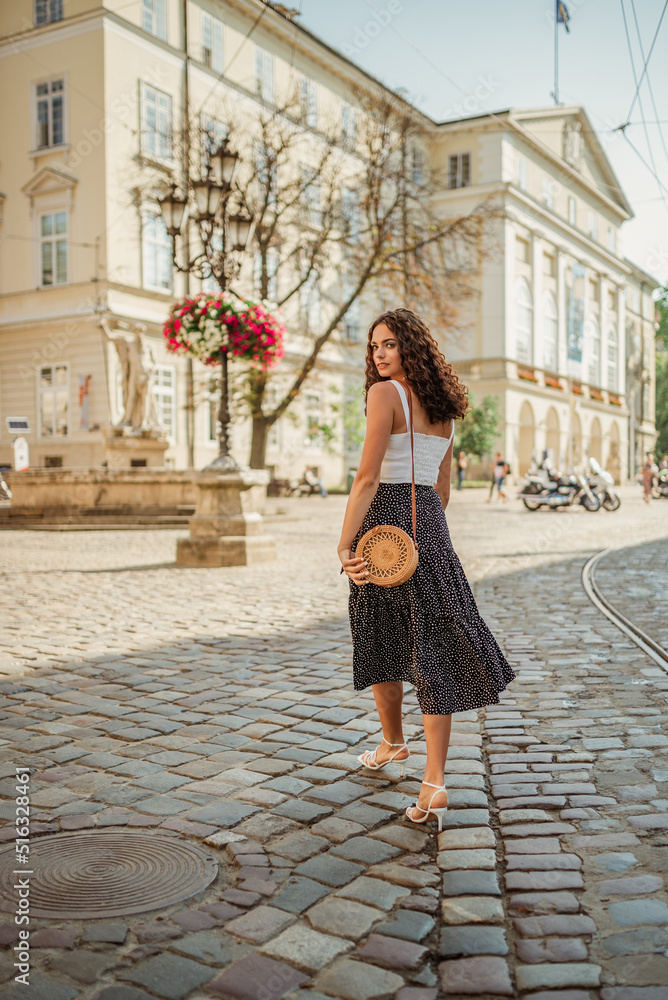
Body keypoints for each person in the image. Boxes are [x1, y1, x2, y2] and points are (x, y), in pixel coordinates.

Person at [337, 308, 516, 830]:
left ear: (411, 347)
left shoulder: (384, 395)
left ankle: (406, 753)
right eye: (375, 348)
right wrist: (429, 533)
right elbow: (442, 490)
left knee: (382, 637)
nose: (380, 355)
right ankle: (417, 765)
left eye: (389, 344)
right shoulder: (446, 409)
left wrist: (345, 543)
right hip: (431, 530)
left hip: (386, 530)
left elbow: (366, 476)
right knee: (429, 643)